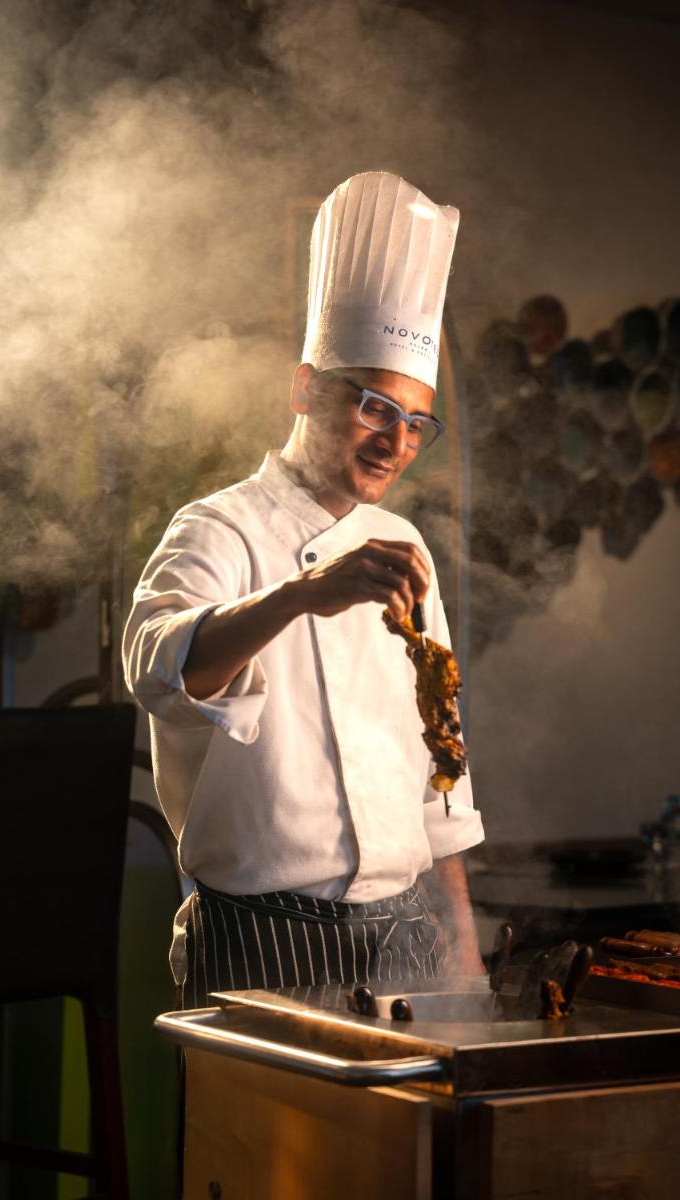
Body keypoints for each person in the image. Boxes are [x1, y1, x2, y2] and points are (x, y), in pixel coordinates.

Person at [123, 172, 485, 1008]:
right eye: (372, 406)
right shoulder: (217, 528)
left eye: (416, 423)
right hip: (261, 936)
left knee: (401, 1147)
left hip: (405, 935)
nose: (396, 441)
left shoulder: (402, 542)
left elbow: (442, 752)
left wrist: (462, 941)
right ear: (303, 389)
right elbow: (154, 667)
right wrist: (298, 595)